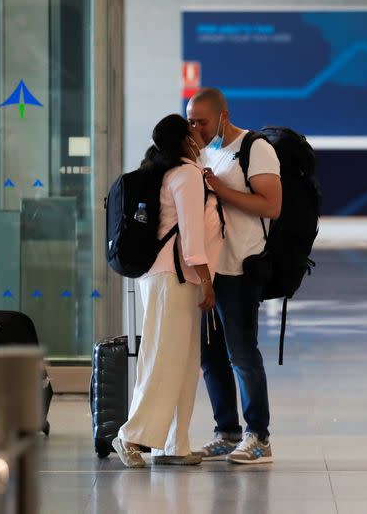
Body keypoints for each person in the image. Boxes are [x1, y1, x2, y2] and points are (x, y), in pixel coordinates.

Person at [114, 114, 222, 468]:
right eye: (192, 128)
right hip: (172, 278)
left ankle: (175, 443)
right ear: (183, 139)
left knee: (184, 362)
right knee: (163, 358)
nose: (199, 132)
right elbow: (190, 240)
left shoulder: (172, 171)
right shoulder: (187, 175)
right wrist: (207, 281)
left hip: (171, 278)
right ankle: (130, 436)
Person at [186, 87, 282, 464]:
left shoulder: (254, 149)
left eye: (202, 121)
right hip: (209, 270)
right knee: (210, 356)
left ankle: (258, 436)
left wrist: (221, 190)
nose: (195, 128)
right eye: (190, 121)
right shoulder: (204, 152)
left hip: (241, 266)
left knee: (242, 353)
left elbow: (272, 205)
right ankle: (226, 431)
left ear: (222, 116)